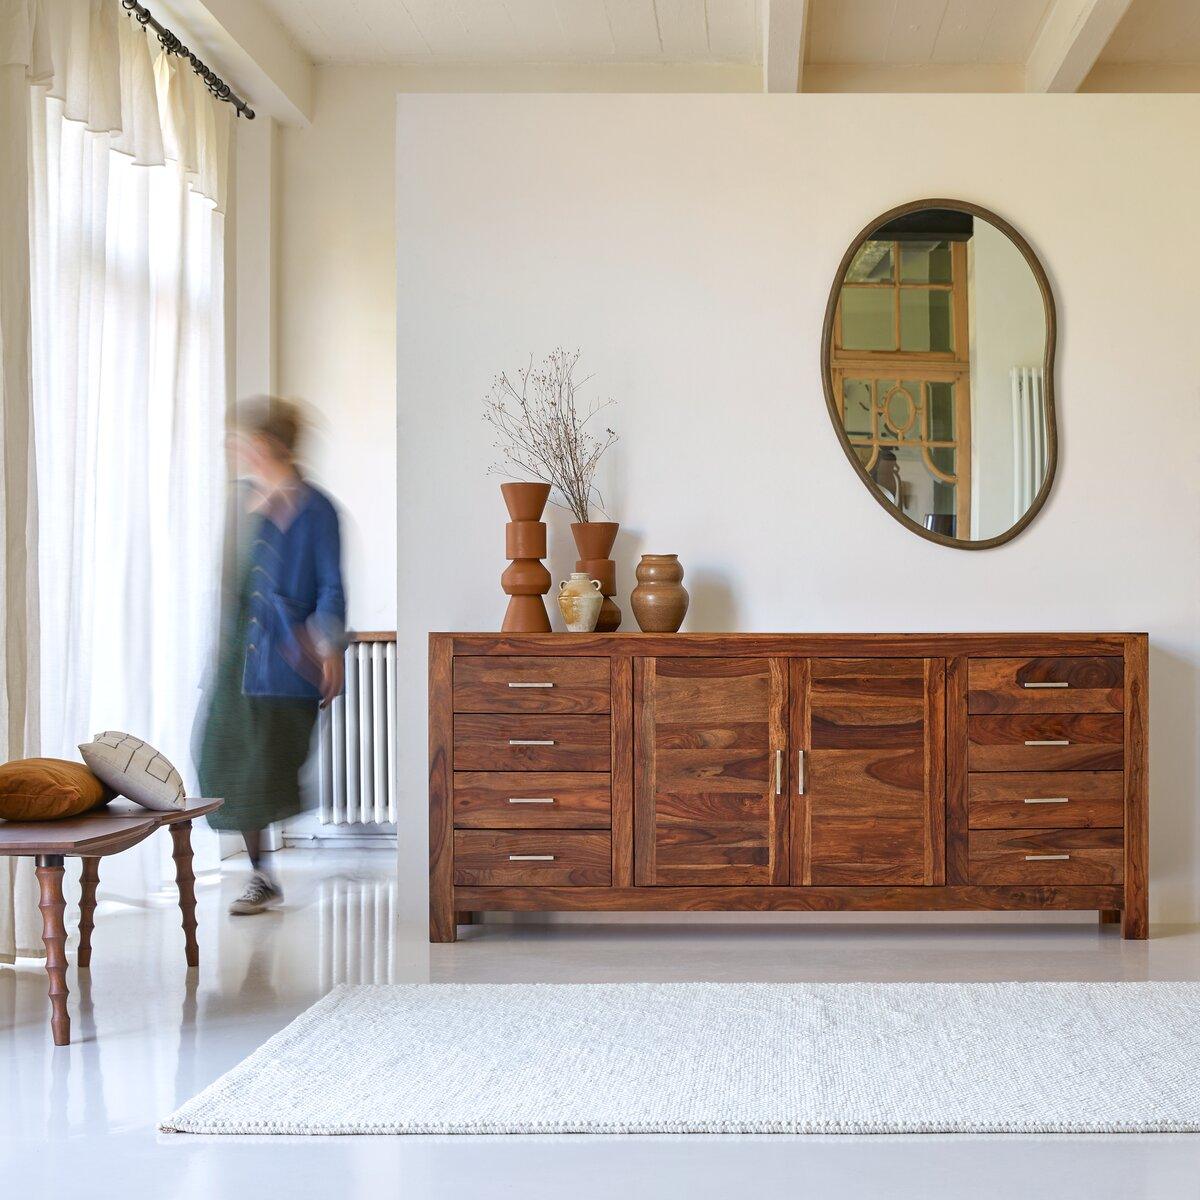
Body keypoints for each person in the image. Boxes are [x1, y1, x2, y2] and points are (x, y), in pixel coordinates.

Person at [198, 398, 346, 915]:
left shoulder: (315, 509)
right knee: (219, 759)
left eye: (243, 441)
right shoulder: (240, 502)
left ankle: (263, 876)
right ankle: (261, 873)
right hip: (236, 660)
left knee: (267, 767)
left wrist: (328, 644)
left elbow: (331, 584)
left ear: (267, 445)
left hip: (287, 662)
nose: (236, 451)